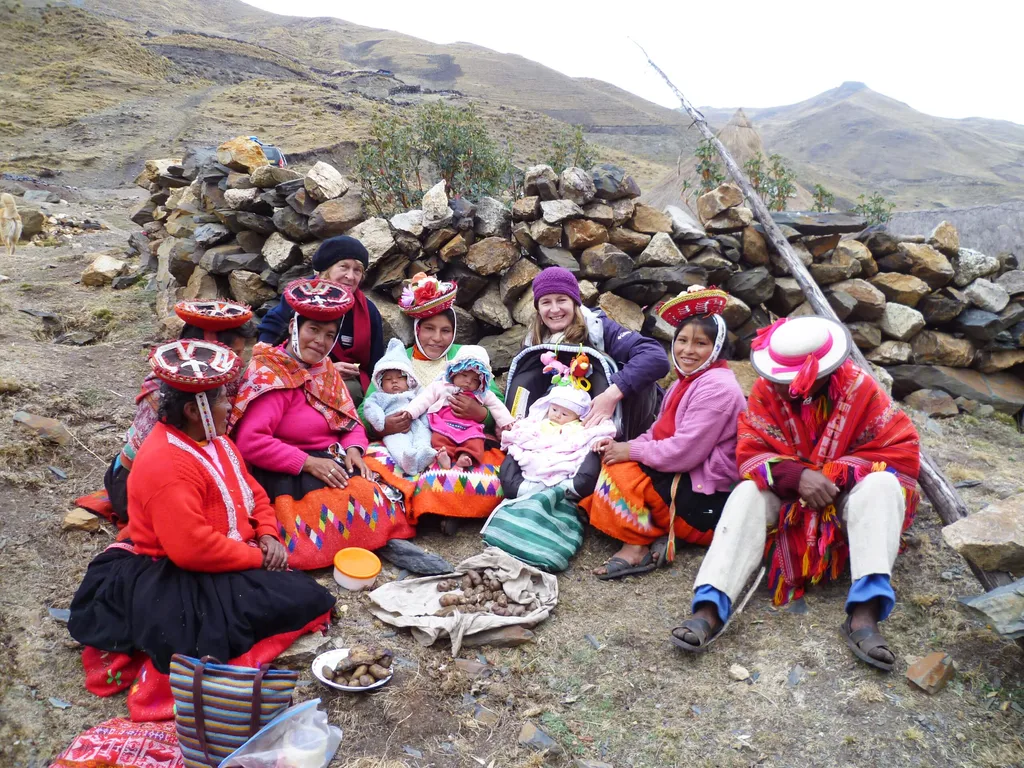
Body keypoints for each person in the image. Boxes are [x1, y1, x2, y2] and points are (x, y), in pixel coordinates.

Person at [68, 339, 335, 722]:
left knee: (303, 595)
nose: (231, 405)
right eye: (224, 400)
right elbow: (192, 550)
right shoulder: (168, 464)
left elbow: (252, 490)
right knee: (216, 629)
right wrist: (259, 557)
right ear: (196, 411)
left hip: (225, 549)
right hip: (175, 567)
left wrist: (268, 533)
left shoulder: (215, 440)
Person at [671, 316, 921, 672]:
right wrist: (798, 475)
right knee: (746, 494)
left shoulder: (862, 391)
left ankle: (864, 615)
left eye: (793, 380)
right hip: (790, 501)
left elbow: (900, 449)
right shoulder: (765, 391)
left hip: (844, 499)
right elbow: (750, 450)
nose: (783, 387)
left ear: (824, 373)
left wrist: (835, 475)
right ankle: (709, 607)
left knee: (883, 486)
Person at [232, 278, 415, 570]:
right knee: (335, 508)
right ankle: (365, 542)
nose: (321, 342)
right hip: (286, 467)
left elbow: (349, 420)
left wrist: (354, 449)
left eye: (330, 335)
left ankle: (376, 538)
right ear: (294, 328)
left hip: (331, 455)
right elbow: (250, 441)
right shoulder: (269, 372)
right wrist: (306, 463)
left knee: (388, 478)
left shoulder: (324, 370)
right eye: (313, 330)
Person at [580, 286, 747, 579]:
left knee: (619, 477)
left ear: (716, 348)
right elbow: (658, 434)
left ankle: (638, 544)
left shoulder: (718, 389)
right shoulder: (686, 383)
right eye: (682, 340)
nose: (687, 350)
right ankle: (662, 529)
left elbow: (683, 452)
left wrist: (629, 451)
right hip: (683, 477)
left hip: (704, 497)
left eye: (700, 343)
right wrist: (623, 446)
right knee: (608, 463)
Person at [360, 272, 507, 533]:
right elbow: (367, 406)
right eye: (428, 328)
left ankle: (435, 508)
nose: (436, 338)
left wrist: (480, 414)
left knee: (492, 467)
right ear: (416, 329)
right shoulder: (398, 361)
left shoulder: (465, 358)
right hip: (409, 437)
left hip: (458, 437)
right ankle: (444, 507)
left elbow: (495, 399)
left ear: (454, 333)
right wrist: (383, 427)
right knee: (376, 461)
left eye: (445, 330)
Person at [99, 299, 256, 525]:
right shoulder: (162, 395)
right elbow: (157, 471)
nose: (239, 363)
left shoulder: (225, 384)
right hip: (135, 486)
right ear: (208, 352)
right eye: (236, 353)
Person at [524, 266, 669, 439]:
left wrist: (612, 394)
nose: (555, 309)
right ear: (538, 308)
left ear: (575, 302)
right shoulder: (532, 342)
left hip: (618, 421)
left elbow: (655, 356)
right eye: (546, 302)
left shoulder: (599, 328)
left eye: (562, 300)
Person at [257, 235, 384, 403]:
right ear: (327, 269)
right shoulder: (302, 294)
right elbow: (272, 329)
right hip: (296, 367)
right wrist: (325, 369)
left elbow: (377, 359)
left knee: (350, 391)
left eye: (357, 270)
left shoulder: (368, 310)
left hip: (347, 380)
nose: (350, 276)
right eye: (343, 267)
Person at [500, 370, 617, 496]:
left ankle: (557, 478)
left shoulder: (579, 426)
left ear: (577, 416)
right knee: (522, 451)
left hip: (564, 452)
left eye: (565, 414)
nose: (557, 415)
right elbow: (523, 431)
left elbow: (592, 434)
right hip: (539, 449)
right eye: (554, 409)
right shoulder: (539, 422)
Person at [401, 345, 514, 469]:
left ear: (481, 381)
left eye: (475, 379)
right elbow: (423, 399)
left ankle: (465, 456)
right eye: (465, 375)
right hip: (445, 423)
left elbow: (496, 405)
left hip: (470, 427)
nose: (468, 381)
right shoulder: (441, 386)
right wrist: (410, 412)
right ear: (454, 372)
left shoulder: (482, 394)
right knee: (439, 438)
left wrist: (506, 421)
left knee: (476, 441)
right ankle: (444, 455)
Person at [362, 338, 434, 475]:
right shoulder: (379, 396)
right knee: (396, 443)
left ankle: (423, 454)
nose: (394, 381)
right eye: (388, 379)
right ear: (379, 383)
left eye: (400, 378)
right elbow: (370, 407)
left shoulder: (415, 393)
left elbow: (426, 404)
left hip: (416, 423)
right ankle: (406, 461)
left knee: (423, 436)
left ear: (409, 380)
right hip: (393, 429)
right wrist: (380, 422)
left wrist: (427, 422)